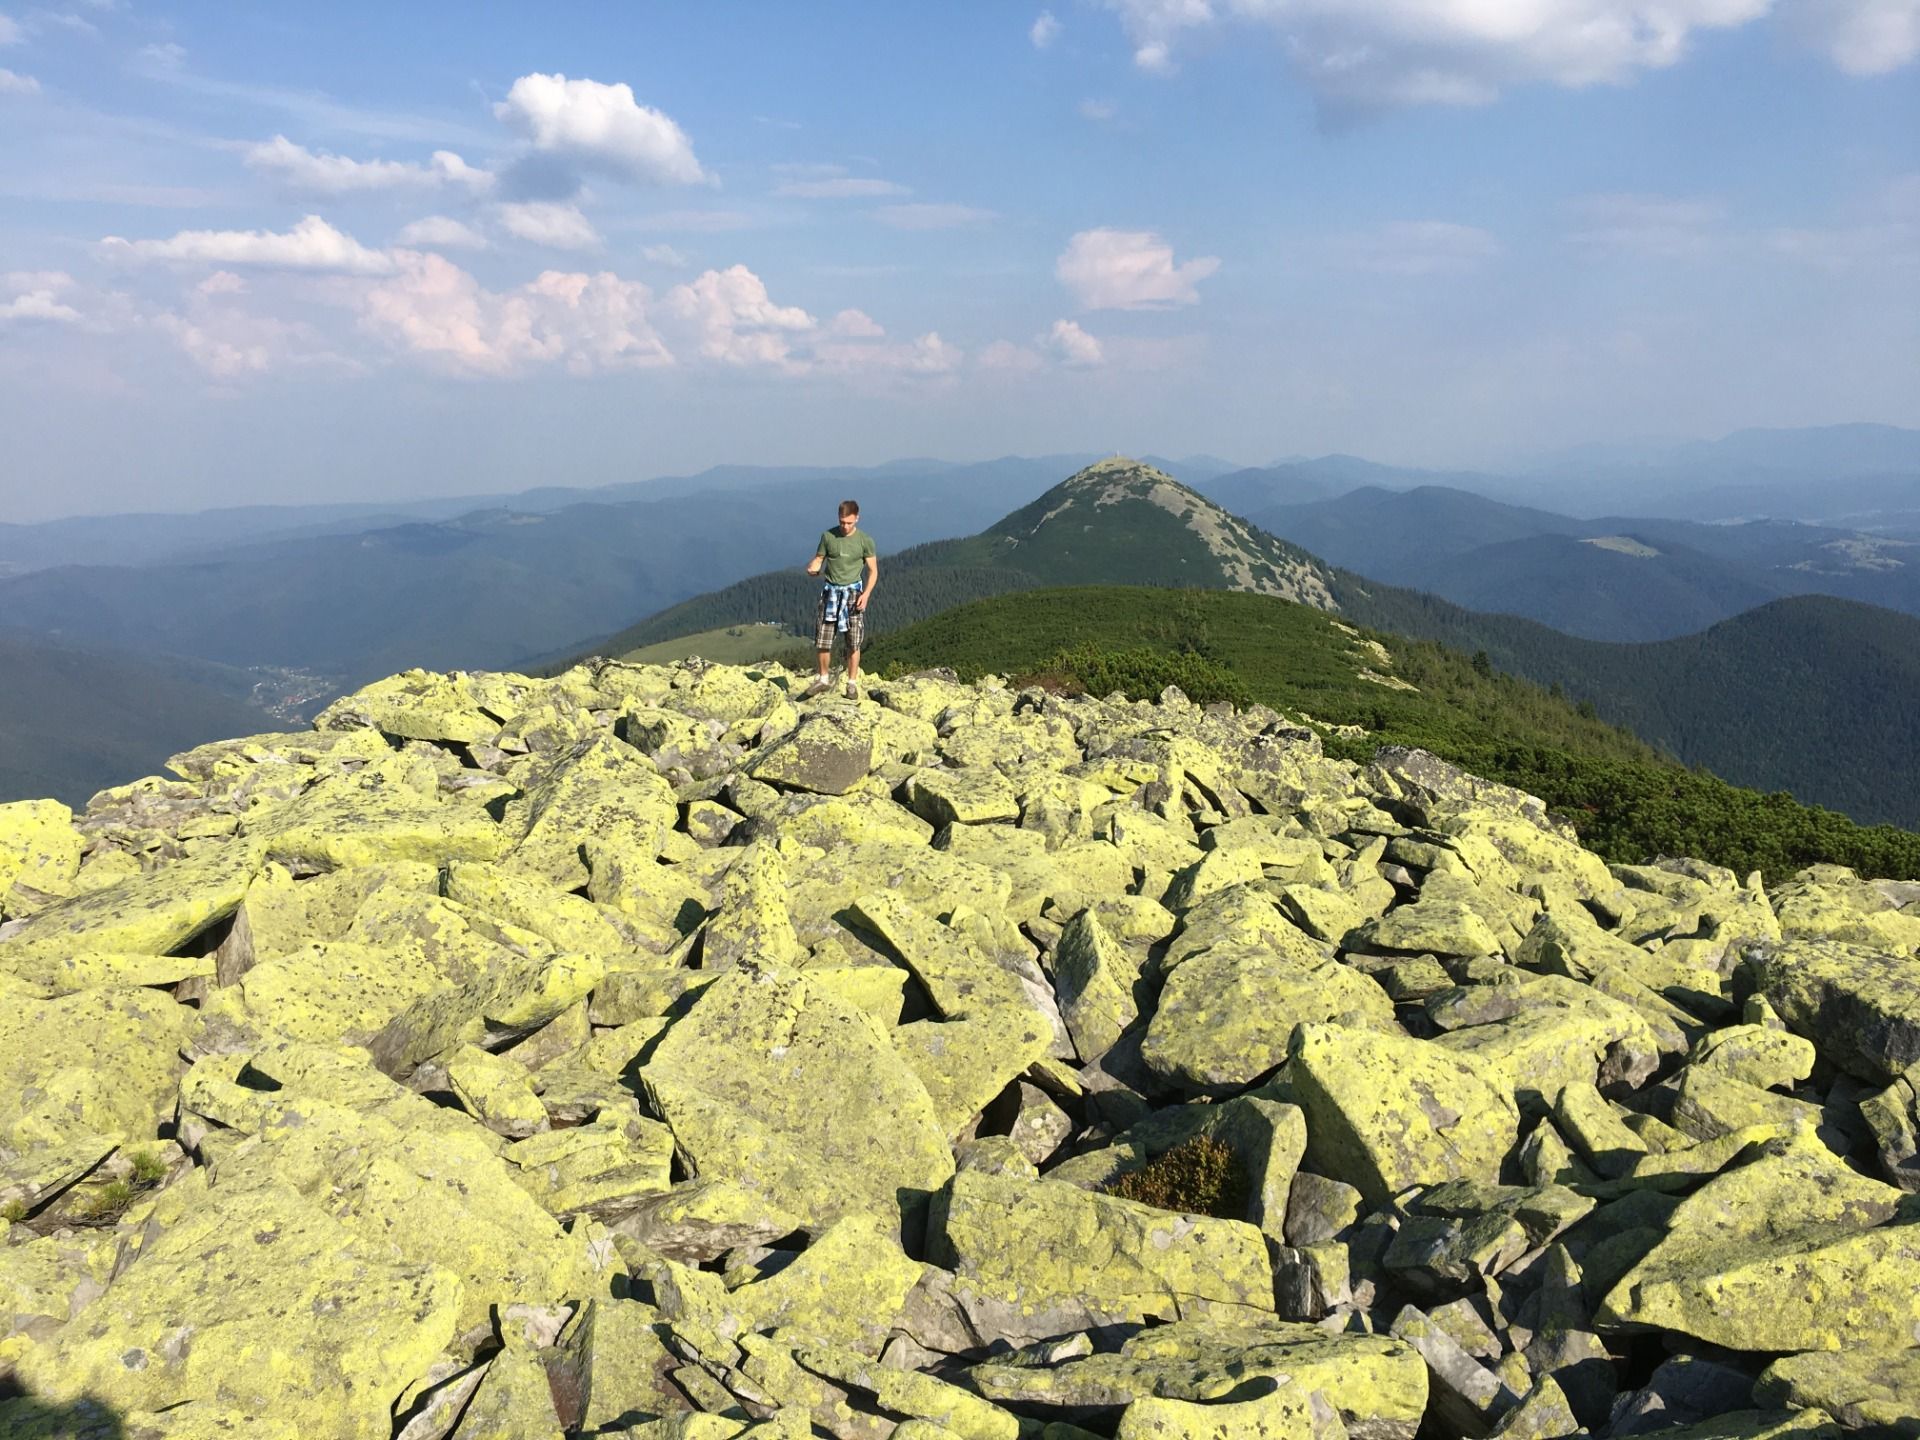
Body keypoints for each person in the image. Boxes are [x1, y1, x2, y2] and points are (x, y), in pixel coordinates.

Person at [804, 499, 878, 699]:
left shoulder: (865, 540)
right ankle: (823, 679)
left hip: (853, 594)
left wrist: (866, 594)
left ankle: (852, 684)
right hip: (831, 593)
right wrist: (813, 567)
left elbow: (873, 571)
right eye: (842, 522)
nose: (845, 526)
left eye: (849, 523)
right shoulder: (828, 536)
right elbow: (819, 559)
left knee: (853, 642)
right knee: (823, 639)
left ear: (857, 519)